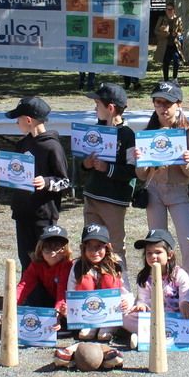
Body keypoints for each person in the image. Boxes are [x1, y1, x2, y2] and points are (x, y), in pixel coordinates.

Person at [133, 81, 189, 300]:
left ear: (179, 104)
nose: (163, 108)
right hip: (154, 191)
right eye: (158, 103)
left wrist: (186, 164)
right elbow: (141, 175)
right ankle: (157, 298)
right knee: (155, 247)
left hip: (178, 191)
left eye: (168, 103)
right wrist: (142, 162)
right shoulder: (148, 133)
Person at [6, 95, 71, 268]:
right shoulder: (22, 144)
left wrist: (47, 182)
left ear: (28, 120)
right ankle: (29, 294)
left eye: (18, 119)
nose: (16, 123)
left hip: (43, 215)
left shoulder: (52, 146)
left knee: (46, 258)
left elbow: (65, 181)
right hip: (22, 212)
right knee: (25, 257)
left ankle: (47, 294)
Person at [79, 82, 137, 264]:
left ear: (110, 108)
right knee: (91, 245)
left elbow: (131, 170)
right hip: (92, 195)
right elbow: (83, 160)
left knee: (114, 247)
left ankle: (120, 288)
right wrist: (86, 164)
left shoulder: (128, 135)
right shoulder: (95, 130)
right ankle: (93, 286)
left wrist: (108, 168)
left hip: (114, 200)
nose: (95, 108)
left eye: (97, 105)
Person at [124, 228, 189, 349]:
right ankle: (145, 335)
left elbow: (187, 294)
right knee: (125, 317)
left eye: (158, 252)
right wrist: (142, 306)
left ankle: (143, 335)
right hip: (153, 317)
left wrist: (185, 303)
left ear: (169, 255)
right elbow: (144, 299)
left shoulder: (180, 274)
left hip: (174, 316)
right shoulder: (144, 277)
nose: (153, 256)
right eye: (149, 253)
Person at [70, 223, 129, 342]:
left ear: (107, 247)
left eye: (99, 246)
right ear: (83, 248)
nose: (94, 251)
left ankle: (110, 325)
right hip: (86, 313)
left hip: (111, 312)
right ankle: (89, 324)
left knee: (109, 278)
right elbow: (71, 291)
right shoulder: (77, 266)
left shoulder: (116, 264)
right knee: (85, 280)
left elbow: (126, 291)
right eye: (90, 247)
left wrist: (126, 301)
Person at [17, 223, 73, 320]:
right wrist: (10, 306)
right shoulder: (35, 265)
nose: (53, 252)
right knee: (34, 291)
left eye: (58, 248)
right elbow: (23, 286)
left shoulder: (67, 265)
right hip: (47, 300)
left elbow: (62, 292)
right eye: (47, 247)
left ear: (65, 250)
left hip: (64, 302)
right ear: (40, 249)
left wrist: (57, 313)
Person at [154, 4, 183, 81]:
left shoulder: (178, 19)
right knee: (166, 62)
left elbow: (181, 31)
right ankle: (166, 79)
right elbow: (156, 31)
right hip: (164, 44)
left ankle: (174, 78)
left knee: (176, 60)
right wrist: (163, 33)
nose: (169, 11)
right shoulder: (162, 19)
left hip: (174, 44)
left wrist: (177, 34)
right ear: (165, 10)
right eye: (168, 9)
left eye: (171, 9)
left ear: (174, 10)